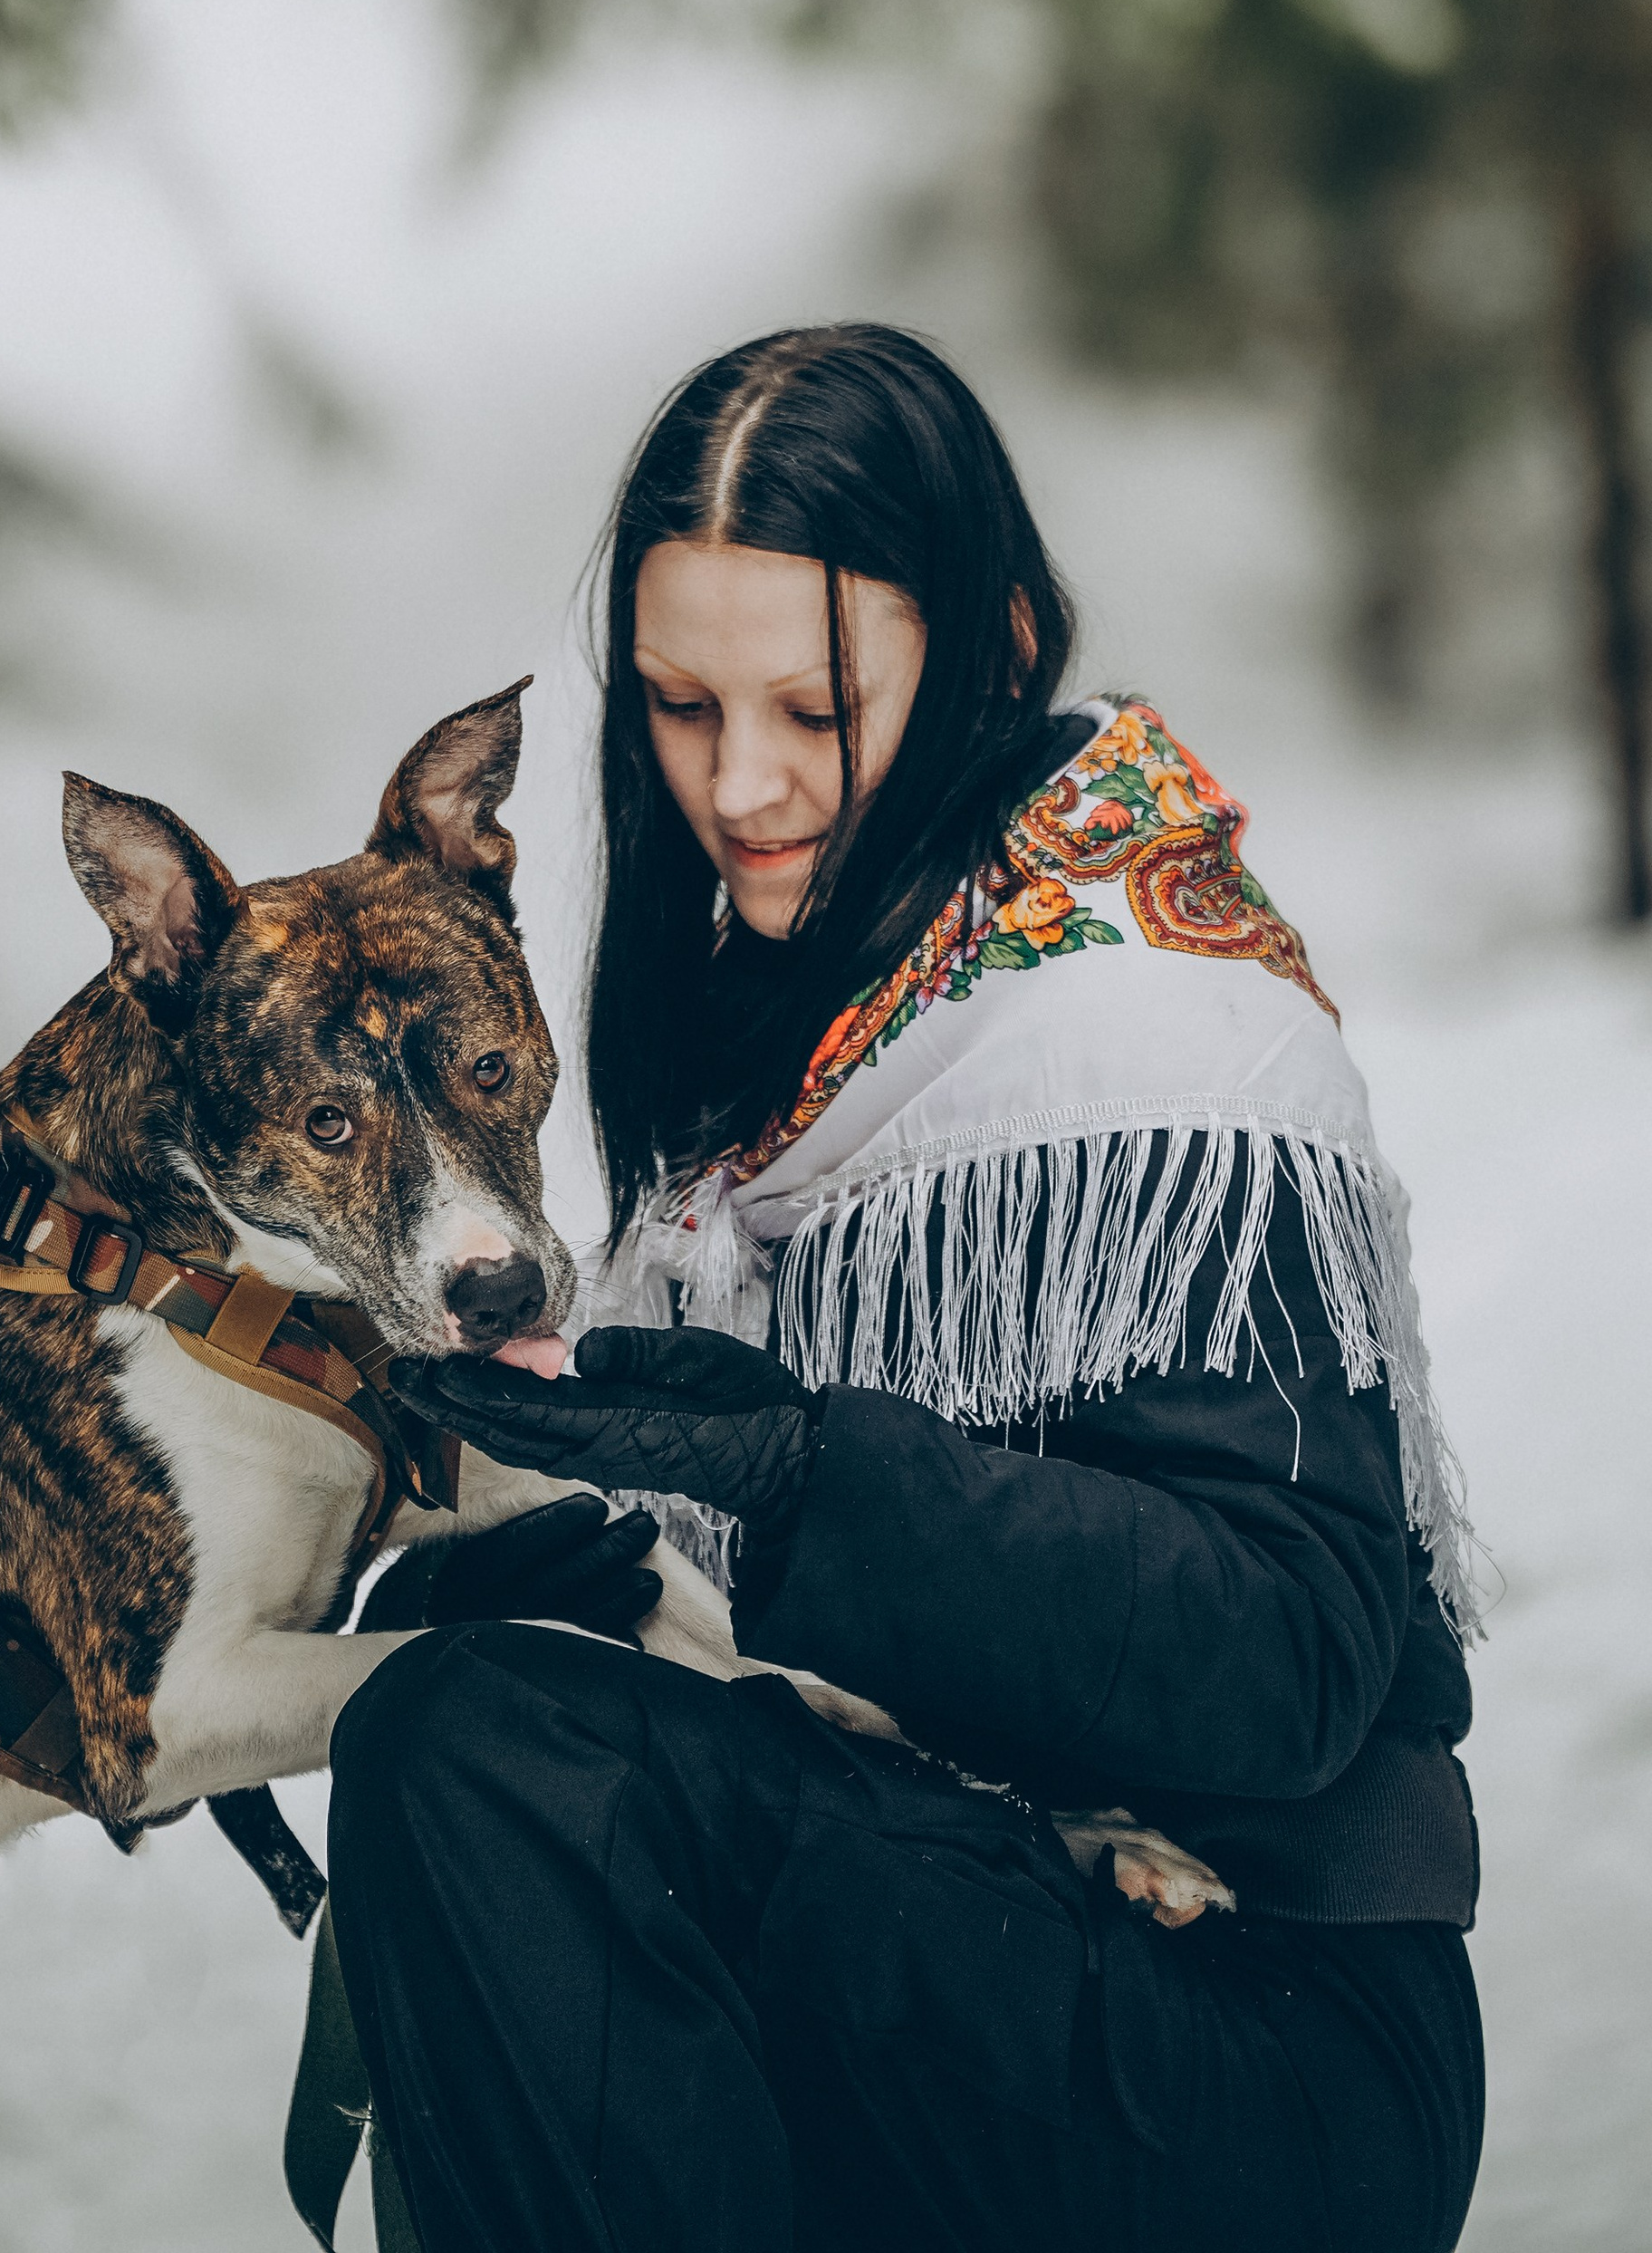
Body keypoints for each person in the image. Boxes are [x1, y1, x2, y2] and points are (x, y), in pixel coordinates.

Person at [342, 322, 1484, 2253]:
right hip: (985, 1925)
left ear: (998, 647)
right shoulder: (807, 1015)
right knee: (466, 1707)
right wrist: (578, 1566)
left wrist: (803, 1478)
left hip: (1255, 2031)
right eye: (682, 710)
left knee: (495, 1772)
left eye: (810, 707)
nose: (741, 783)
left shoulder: (1150, 1032)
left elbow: (1285, 1659)